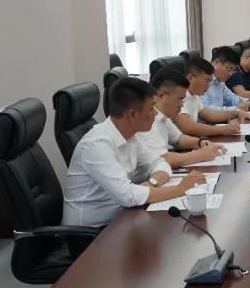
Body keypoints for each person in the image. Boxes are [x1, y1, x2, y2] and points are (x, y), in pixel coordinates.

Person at [62, 77, 206, 228]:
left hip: (122, 217)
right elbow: (128, 195)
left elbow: (159, 163)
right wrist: (180, 189)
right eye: (151, 108)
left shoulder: (131, 136)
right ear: (132, 114)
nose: (155, 113)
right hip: (92, 233)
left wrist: (152, 182)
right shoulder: (97, 145)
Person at [139, 68, 228, 174]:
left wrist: (201, 143)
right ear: (161, 95)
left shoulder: (162, 116)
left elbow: (178, 139)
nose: (181, 105)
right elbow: (162, 159)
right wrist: (200, 155)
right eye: (180, 99)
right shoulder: (147, 120)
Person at [175, 57, 250, 139]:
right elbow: (189, 127)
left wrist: (237, 112)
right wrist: (223, 129)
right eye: (206, 81)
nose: (208, 86)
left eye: (210, 81)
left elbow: (210, 115)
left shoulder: (193, 96)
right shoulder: (177, 96)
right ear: (190, 78)